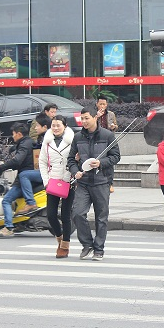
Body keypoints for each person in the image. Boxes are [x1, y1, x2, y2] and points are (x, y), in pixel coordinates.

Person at [67, 106, 121, 261]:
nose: (84, 121)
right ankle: (87, 244)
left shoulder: (108, 135)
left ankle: (99, 249)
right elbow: (71, 159)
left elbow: (116, 156)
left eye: (86, 118)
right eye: (81, 118)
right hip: (83, 182)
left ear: (94, 117)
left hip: (102, 181)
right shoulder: (78, 137)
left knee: (101, 217)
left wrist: (101, 163)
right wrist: (74, 170)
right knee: (77, 213)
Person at [40, 115, 75, 258]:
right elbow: (42, 161)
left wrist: (72, 176)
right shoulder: (47, 141)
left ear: (65, 126)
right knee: (51, 215)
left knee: (66, 215)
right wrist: (46, 181)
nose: (55, 128)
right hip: (53, 181)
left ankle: (65, 246)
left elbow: (75, 159)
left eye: (58, 125)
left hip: (68, 180)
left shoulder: (73, 140)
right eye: (53, 125)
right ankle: (59, 239)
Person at [0, 123, 35, 238]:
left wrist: (2, 167)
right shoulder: (27, 142)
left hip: (25, 178)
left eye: (13, 134)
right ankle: (18, 223)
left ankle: (8, 227)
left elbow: (17, 161)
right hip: (27, 176)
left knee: (6, 200)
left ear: (19, 134)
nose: (13, 137)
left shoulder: (24, 145)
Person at [16, 112, 51, 219]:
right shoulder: (44, 137)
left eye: (37, 125)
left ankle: (30, 203)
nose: (35, 128)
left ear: (45, 127)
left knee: (23, 175)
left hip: (48, 171)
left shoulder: (48, 139)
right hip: (47, 169)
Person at [95, 94, 118, 193]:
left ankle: (110, 183)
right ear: (97, 104)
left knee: (109, 161)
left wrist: (114, 127)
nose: (102, 106)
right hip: (97, 140)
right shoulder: (94, 114)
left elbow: (116, 125)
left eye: (104, 104)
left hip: (109, 139)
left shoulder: (111, 114)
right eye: (100, 104)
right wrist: (96, 117)